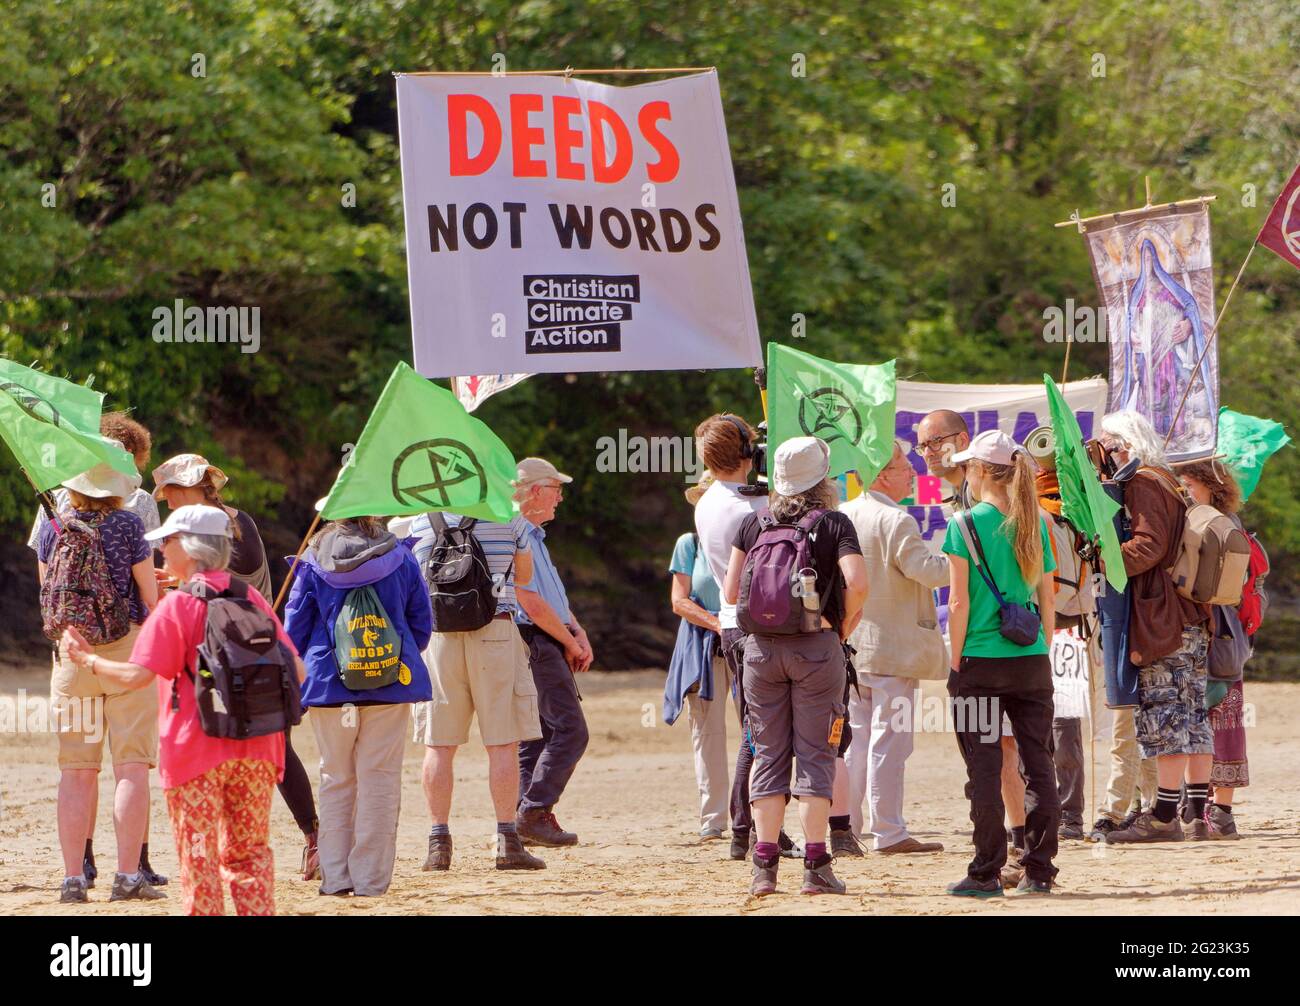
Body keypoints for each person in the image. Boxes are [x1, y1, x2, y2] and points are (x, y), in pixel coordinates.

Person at [61, 504, 303, 915]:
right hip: (260, 749)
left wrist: (89, 662)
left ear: (189, 550)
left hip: (196, 755)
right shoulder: (252, 597)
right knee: (250, 856)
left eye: (167, 542)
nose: (160, 551)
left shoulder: (177, 606)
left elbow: (136, 676)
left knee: (199, 859)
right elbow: (296, 668)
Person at [154, 452, 320, 879]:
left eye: (171, 493)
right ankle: (309, 839)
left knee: (277, 747)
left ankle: (315, 837)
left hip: (250, 655)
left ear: (192, 487)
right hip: (223, 658)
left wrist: (184, 573)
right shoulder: (205, 528)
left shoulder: (231, 522)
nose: (168, 503)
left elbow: (235, 569)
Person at [723, 437, 868, 897]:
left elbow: (731, 594)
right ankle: (816, 864)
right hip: (816, 649)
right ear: (822, 478)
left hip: (760, 652)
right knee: (816, 754)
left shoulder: (754, 522)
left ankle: (763, 864)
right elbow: (858, 582)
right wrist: (841, 623)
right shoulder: (834, 523)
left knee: (767, 754)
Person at [29, 412, 166, 889]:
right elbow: (149, 598)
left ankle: (72, 878)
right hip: (124, 650)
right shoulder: (129, 527)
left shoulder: (53, 526)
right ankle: (127, 874)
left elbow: (48, 594)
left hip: (71, 654)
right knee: (131, 765)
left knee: (77, 771)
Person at [284, 513, 433, 896]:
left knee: (335, 777)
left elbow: (294, 630)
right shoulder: (400, 556)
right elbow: (421, 625)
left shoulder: (314, 558)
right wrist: (387, 662)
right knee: (379, 777)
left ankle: (335, 878)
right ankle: (370, 880)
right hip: (389, 684)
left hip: (329, 687)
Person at [942, 430, 1059, 897]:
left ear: (980, 471)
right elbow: (1047, 598)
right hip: (1031, 661)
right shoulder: (1036, 522)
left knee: (985, 770)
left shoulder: (964, 525)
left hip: (979, 663)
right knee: (1039, 765)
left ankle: (986, 872)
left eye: (967, 466)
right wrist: (1043, 648)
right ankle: (1040, 871)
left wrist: (956, 662)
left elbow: (956, 604)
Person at [1098, 412, 1213, 845]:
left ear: (1125, 444)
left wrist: (1104, 558)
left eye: (1109, 445)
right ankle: (1197, 815)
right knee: (1191, 717)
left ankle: (1164, 817)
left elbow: (1148, 545)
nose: (1106, 455)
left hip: (1162, 617)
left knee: (1165, 716)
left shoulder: (1145, 481)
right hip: (1189, 616)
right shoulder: (1169, 480)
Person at [411, 508, 545, 871]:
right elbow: (526, 576)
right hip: (496, 630)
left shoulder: (422, 521)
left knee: (439, 744)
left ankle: (438, 844)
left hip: (439, 638)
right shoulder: (508, 517)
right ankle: (506, 842)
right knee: (501, 742)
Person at [840, 439, 948, 855]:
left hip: (853, 646)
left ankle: (847, 826)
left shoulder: (844, 513)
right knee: (892, 742)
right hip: (893, 649)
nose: (913, 474)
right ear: (884, 474)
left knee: (858, 741)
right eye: (906, 467)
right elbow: (926, 570)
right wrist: (960, 562)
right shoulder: (895, 519)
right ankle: (890, 831)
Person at [692, 413, 768, 860]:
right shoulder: (751, 508)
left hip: (731, 622)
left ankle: (750, 824)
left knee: (754, 729)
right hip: (756, 623)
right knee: (762, 733)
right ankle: (748, 825)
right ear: (745, 454)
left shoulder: (709, 501)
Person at [512, 458, 593, 846]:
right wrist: (569, 639)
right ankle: (533, 811)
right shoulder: (520, 535)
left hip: (540, 636)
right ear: (535, 491)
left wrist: (574, 630)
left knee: (537, 735)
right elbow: (529, 601)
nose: (561, 497)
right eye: (556, 489)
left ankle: (524, 817)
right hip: (535, 639)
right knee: (571, 731)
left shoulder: (532, 535)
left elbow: (550, 599)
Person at [1179, 460, 1250, 840]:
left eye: (1190, 483)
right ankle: (1211, 811)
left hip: (1217, 635)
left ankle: (1220, 811)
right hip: (1226, 636)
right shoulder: (1220, 522)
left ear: (1210, 485)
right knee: (1217, 723)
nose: (1185, 490)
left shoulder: (1219, 525)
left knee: (1221, 723)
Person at [665, 473, 735, 841]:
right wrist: (718, 625)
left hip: (745, 643)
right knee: (707, 732)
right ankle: (713, 817)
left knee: (759, 730)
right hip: (703, 645)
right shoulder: (689, 544)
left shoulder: (745, 537)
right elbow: (679, 600)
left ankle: (752, 812)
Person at [916, 409, 973, 513]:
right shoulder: (963, 491)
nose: (928, 453)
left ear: (962, 441)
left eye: (936, 441)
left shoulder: (986, 489)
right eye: (922, 446)